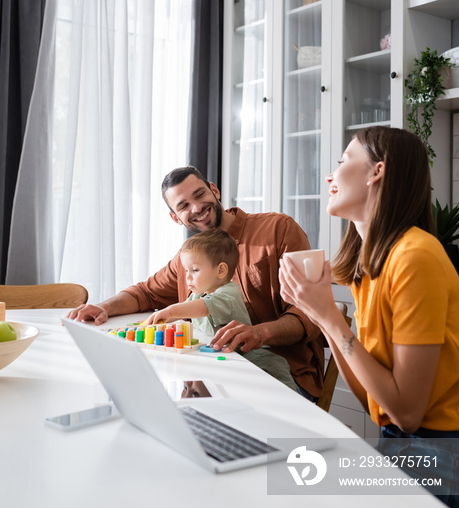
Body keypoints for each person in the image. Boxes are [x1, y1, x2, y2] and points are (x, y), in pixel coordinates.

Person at [279, 126, 459, 508]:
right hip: (401, 441)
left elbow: (408, 413)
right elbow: (377, 400)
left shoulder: (415, 257)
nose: (331, 175)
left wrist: (330, 316)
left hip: (440, 451)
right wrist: (323, 318)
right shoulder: (372, 265)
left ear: (376, 172)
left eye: (343, 161)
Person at [68, 165, 324, 400]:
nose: (196, 208)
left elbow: (313, 312)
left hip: (282, 377)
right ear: (175, 218)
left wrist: (260, 332)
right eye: (183, 206)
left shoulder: (277, 229)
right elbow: (146, 293)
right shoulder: (188, 259)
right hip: (212, 375)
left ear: (214, 190)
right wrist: (104, 308)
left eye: (200, 195)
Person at [146, 227, 297, 390]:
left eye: (195, 270)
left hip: (253, 360)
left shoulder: (228, 294)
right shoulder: (199, 293)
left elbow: (203, 308)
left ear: (221, 270)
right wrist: (160, 319)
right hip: (226, 359)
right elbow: (185, 310)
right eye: (186, 270)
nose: (188, 276)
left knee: (279, 392)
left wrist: (170, 311)